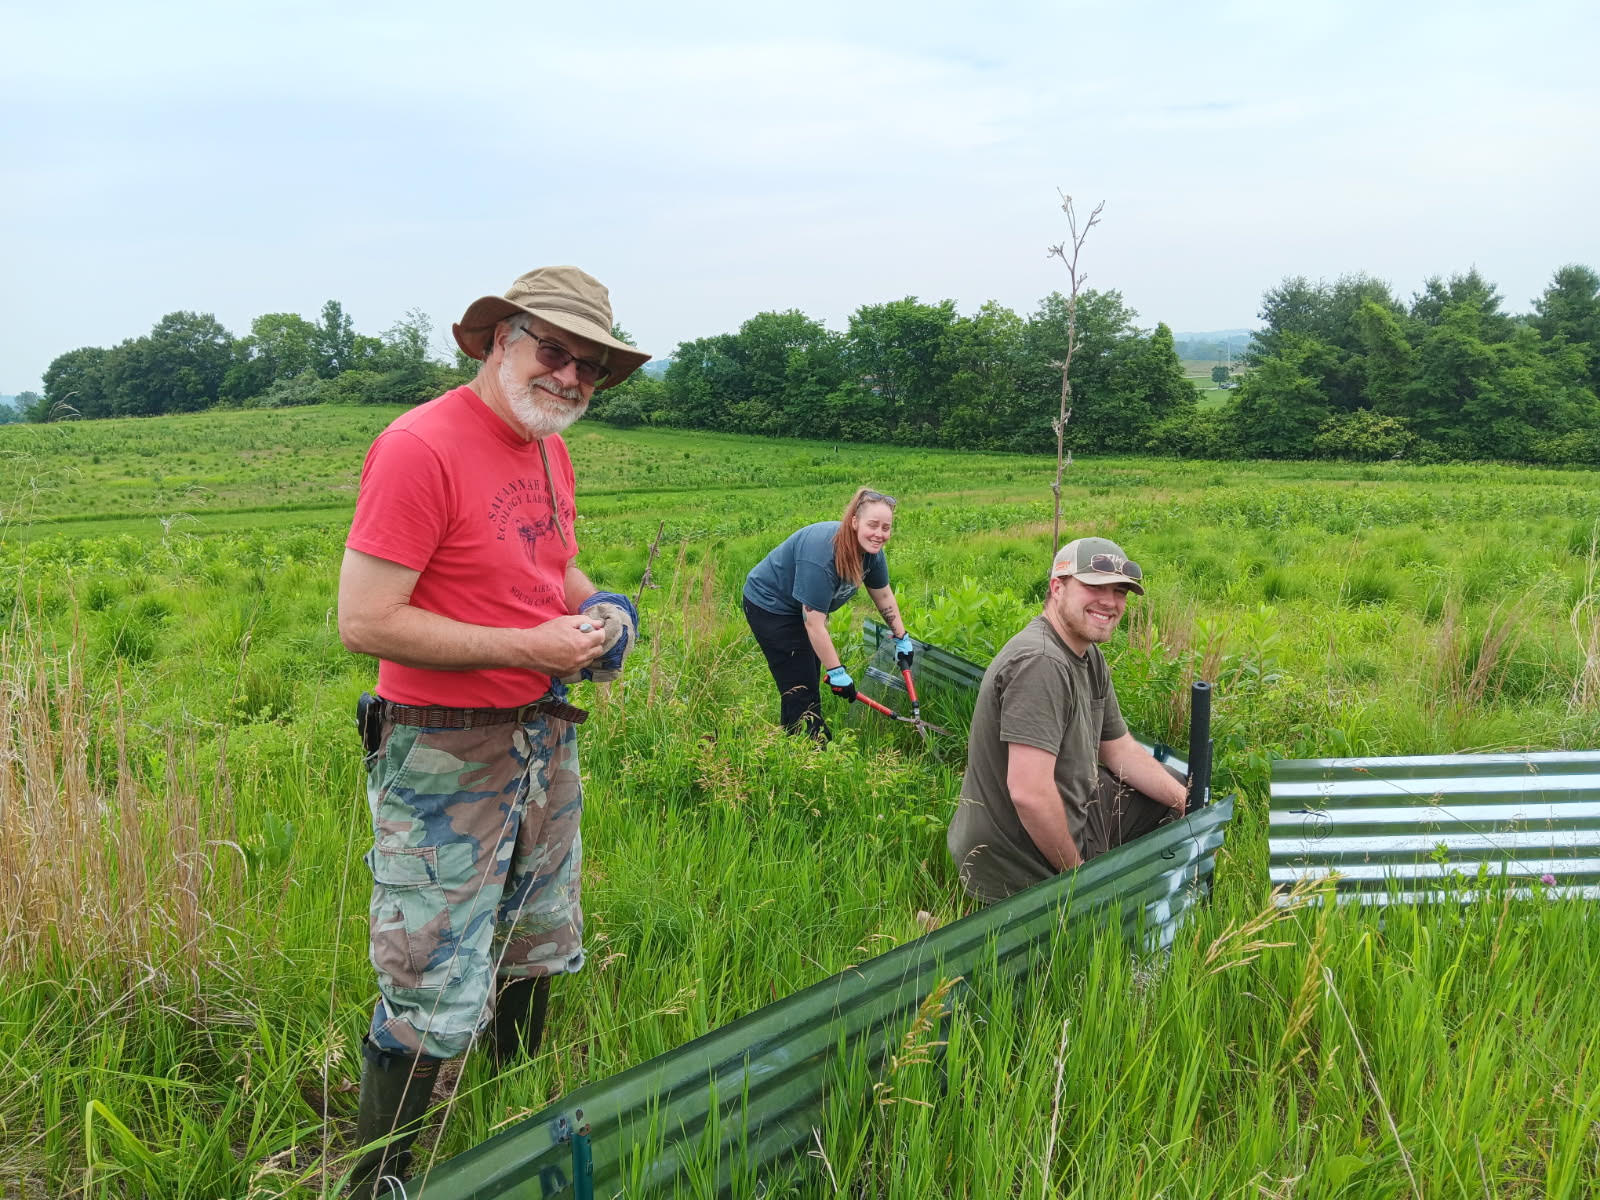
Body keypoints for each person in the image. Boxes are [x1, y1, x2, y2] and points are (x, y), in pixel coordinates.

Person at [336, 266, 649, 1195]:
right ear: (500, 340)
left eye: (591, 366)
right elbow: (365, 620)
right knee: (430, 970)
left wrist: (606, 611)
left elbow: (554, 568)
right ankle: (379, 1179)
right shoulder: (419, 447)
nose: (571, 376)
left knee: (536, 938)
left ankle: (506, 1127)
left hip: (542, 736)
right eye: (555, 350)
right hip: (442, 749)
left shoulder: (548, 449)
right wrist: (529, 645)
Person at [946, 536, 1188, 904]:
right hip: (1019, 856)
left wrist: (1185, 801)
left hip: (1068, 808)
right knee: (1157, 818)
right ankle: (1117, 904)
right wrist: (1080, 879)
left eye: (1120, 591)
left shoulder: (1087, 655)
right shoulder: (1041, 663)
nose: (1110, 602)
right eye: (1095, 587)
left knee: (1171, 788)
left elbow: (1118, 749)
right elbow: (1029, 794)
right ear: (1057, 588)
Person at [742, 488, 914, 740]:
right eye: (873, 525)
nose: (879, 534)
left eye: (886, 528)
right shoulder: (823, 555)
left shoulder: (872, 555)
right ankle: (811, 747)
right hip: (771, 606)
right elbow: (813, 623)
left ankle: (791, 737)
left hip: (801, 610)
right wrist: (837, 672)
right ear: (854, 522)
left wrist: (902, 638)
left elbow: (884, 596)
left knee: (805, 677)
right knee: (801, 686)